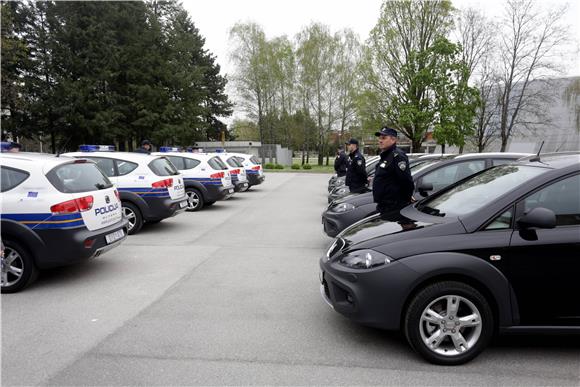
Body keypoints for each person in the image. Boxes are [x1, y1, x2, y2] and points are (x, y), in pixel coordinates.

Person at [372, 127, 414, 221]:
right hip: (384, 205)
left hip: (393, 206)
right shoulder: (386, 156)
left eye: (383, 138)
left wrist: (406, 198)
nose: (380, 141)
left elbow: (406, 180)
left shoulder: (397, 156)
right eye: (379, 138)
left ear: (393, 139)